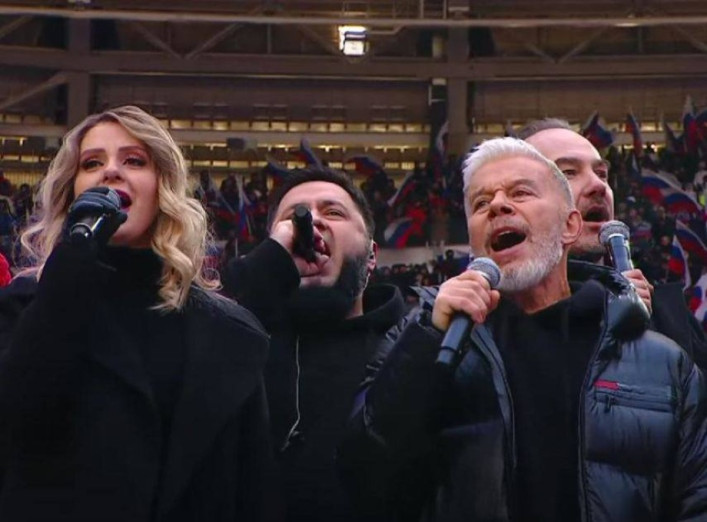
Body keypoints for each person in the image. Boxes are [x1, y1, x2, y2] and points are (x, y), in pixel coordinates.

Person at [338, 138, 707, 522]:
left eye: (520, 193)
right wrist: (428, 341)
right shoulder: (423, 338)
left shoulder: (663, 362)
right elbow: (365, 479)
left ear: (569, 226)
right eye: (481, 203)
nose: (497, 205)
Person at [0, 106, 278, 522]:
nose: (111, 172)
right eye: (91, 164)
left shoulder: (229, 333)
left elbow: (254, 489)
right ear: (72, 191)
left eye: (134, 161)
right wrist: (68, 271)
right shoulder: (22, 307)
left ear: (163, 186)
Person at [221, 168, 406, 522]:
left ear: (372, 256)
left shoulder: (411, 347)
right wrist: (265, 272)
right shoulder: (240, 346)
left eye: (333, 212)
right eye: (293, 216)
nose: (312, 221)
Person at [519, 119, 707, 368]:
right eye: (568, 173)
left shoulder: (671, 319)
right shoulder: (481, 324)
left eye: (601, 174)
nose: (599, 186)